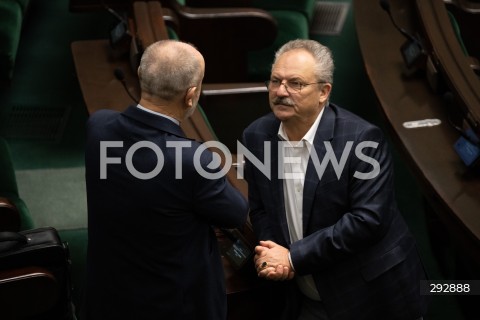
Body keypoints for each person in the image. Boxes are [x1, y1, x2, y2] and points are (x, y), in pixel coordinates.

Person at [242, 39, 429, 320]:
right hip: (304, 295)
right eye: (275, 81)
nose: (281, 92)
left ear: (323, 92)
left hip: (370, 295)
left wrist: (293, 257)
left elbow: (368, 220)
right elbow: (259, 208)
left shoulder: (362, 140)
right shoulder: (255, 136)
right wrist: (273, 253)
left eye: (296, 83)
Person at [85, 40, 248, 320]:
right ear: (191, 96)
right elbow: (236, 213)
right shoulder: (191, 160)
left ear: (140, 74)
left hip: (106, 294)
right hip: (169, 306)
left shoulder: (98, 126)